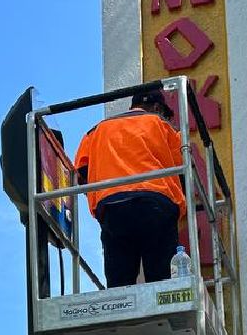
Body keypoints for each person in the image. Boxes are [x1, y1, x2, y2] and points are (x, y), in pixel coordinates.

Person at [74, 89, 187, 287]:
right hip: (156, 203)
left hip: (111, 206)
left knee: (119, 278)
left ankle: (118, 300)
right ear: (157, 108)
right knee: (161, 280)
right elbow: (181, 168)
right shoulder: (161, 125)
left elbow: (81, 172)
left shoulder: (96, 130)